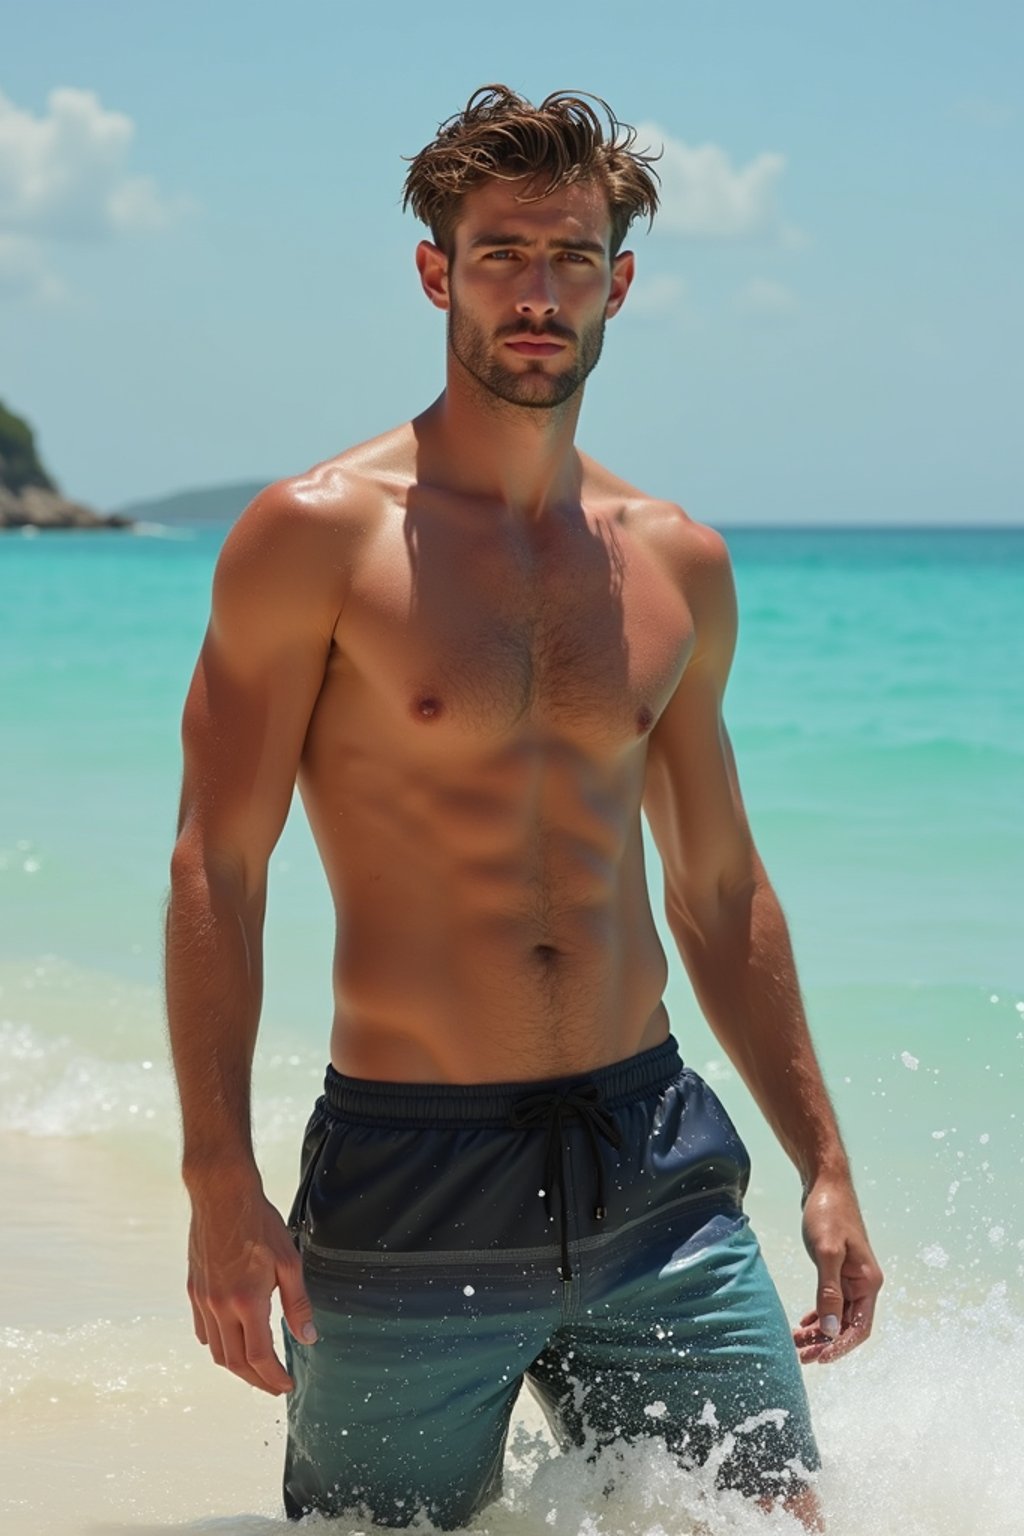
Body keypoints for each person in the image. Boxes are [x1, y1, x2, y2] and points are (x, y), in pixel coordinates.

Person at [166, 85, 883, 1530]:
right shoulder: (314, 537)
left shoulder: (676, 562)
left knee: (782, 1520)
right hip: (409, 1180)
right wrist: (217, 1177)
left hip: (656, 1164)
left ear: (619, 282)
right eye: (500, 254)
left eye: (570, 257)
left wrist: (827, 1166)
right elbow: (219, 865)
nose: (536, 293)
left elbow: (720, 886)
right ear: (438, 273)